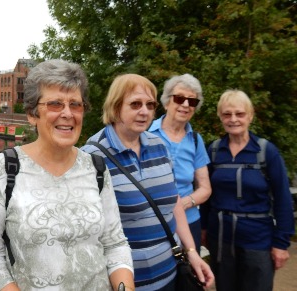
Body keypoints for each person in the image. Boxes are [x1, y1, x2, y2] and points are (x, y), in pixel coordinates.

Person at [0, 59, 135, 291]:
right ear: (32, 114)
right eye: (55, 104)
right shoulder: (5, 169)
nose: (67, 113)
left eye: (75, 105)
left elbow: (115, 243)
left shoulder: (97, 168)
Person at [81, 74, 214, 290]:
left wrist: (192, 253)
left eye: (150, 105)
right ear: (115, 108)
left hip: (170, 275)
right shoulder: (92, 157)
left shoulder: (159, 146)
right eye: (135, 104)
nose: (145, 111)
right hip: (126, 283)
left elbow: (174, 205)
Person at [202, 89, 295, 291]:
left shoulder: (266, 151)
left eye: (239, 114)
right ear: (220, 117)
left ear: (250, 116)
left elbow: (283, 198)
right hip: (221, 240)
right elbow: (206, 193)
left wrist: (281, 243)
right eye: (227, 114)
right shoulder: (215, 151)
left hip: (258, 240)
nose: (233, 119)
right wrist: (203, 229)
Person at [148, 74, 211, 254]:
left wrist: (182, 204)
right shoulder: (145, 134)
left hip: (190, 222)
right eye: (179, 98)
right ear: (167, 102)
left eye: (191, 101)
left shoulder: (196, 141)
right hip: (153, 222)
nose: (185, 105)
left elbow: (205, 188)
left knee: (190, 278)